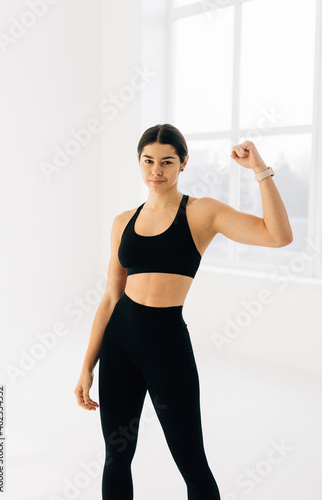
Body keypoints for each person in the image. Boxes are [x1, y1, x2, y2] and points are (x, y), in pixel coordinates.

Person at [74, 123, 293, 499]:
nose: (155, 171)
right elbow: (111, 296)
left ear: (184, 163)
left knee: (192, 463)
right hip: (119, 346)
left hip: (167, 347)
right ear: (139, 162)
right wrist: (86, 365)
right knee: (116, 458)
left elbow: (278, 235)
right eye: (148, 161)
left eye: (167, 162)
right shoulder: (123, 221)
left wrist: (261, 169)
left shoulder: (201, 213)